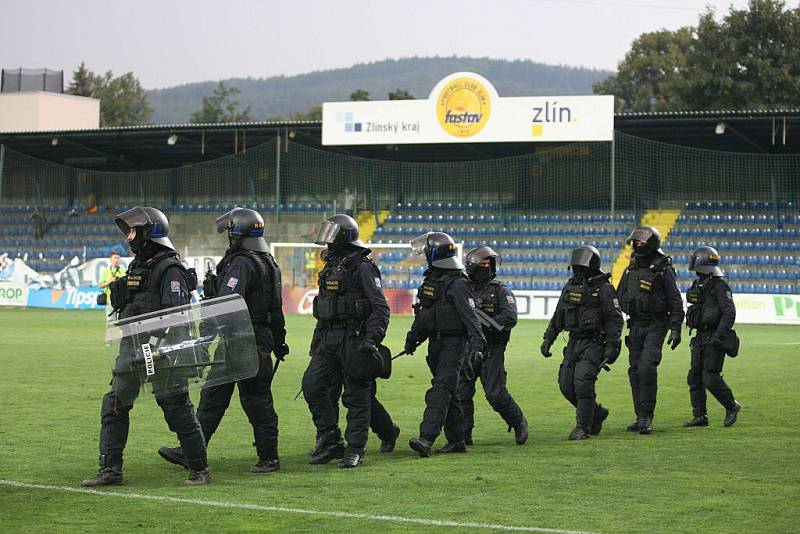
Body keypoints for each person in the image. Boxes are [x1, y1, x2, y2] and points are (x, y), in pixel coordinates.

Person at [81, 207, 209, 486]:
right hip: (131, 347)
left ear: (149, 232)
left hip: (161, 351)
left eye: (132, 230)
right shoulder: (138, 266)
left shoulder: (171, 268)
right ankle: (110, 470)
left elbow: (174, 314)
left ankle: (199, 468)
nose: (128, 237)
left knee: (176, 407)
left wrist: (152, 346)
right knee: (114, 403)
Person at [157, 207, 288, 474]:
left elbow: (226, 305)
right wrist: (278, 340)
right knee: (235, 397)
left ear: (237, 232)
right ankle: (263, 456)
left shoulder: (241, 262)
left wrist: (206, 335)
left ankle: (263, 458)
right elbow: (276, 307)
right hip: (258, 339)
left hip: (239, 340)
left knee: (242, 400)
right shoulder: (268, 261)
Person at [301, 214, 390, 468]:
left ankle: (355, 449)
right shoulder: (329, 265)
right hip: (328, 337)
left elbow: (380, 308)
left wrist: (372, 339)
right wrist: (317, 340)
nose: (327, 238)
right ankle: (330, 439)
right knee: (312, 385)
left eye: (332, 233)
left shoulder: (362, 266)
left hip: (355, 337)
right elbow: (325, 307)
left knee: (356, 396)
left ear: (344, 237)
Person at [405, 232, 486, 456]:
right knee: (448, 393)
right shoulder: (431, 280)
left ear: (435, 254)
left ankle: (426, 438)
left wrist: (477, 346)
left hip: (454, 345)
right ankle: (457, 440)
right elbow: (424, 315)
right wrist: (413, 339)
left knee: (440, 390)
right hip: (436, 345)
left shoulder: (458, 283)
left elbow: (471, 318)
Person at [540, 246, 623, 440]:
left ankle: (583, 426)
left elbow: (614, 319)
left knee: (583, 383)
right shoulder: (570, 287)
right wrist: (548, 338)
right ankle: (597, 413)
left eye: (581, 265)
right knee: (566, 385)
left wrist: (613, 345)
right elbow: (558, 315)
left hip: (594, 343)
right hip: (573, 342)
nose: (578, 269)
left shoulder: (604, 289)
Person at [456, 246, 527, 446]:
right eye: (483, 264)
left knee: (495, 394)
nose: (486, 267)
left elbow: (510, 317)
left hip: (492, 349)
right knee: (461, 393)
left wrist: (484, 323)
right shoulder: (463, 288)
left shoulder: (501, 290)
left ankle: (518, 421)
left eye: (489, 264)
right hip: (467, 348)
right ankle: (463, 434)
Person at [616, 226, 684, 434]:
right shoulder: (632, 267)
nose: (637, 246)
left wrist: (675, 328)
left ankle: (647, 417)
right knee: (634, 371)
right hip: (635, 324)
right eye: (635, 243)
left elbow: (675, 301)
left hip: (656, 324)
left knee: (646, 367)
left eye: (641, 243)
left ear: (652, 244)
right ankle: (639, 416)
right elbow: (619, 295)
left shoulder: (663, 269)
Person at [684, 246, 741, 428]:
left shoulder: (719, 285)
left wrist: (719, 336)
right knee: (694, 377)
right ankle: (700, 416)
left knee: (710, 377)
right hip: (700, 337)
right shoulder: (698, 284)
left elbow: (729, 313)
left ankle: (731, 406)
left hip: (714, 337)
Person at [98, 251, 126, 319]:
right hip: (109, 299)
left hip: (121, 299)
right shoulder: (105, 270)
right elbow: (100, 285)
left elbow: (126, 283)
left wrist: (118, 280)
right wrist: (109, 282)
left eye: (118, 258)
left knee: (121, 320)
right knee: (110, 320)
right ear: (110, 259)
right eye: (115, 258)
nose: (117, 260)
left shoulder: (122, 270)